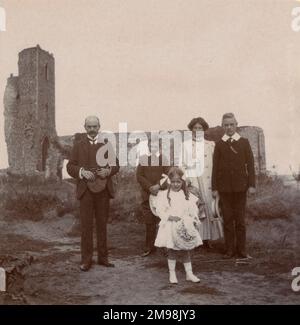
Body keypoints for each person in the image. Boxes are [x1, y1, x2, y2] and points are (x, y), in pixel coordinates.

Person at [67, 116, 120, 271]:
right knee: (86, 226)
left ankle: (103, 259)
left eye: (94, 126)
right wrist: (82, 172)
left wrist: (108, 170)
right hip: (85, 191)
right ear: (85, 127)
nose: (92, 129)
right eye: (89, 126)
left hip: (103, 190)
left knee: (102, 225)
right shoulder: (78, 145)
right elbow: (70, 167)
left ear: (99, 127)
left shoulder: (106, 144)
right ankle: (86, 261)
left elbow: (116, 165)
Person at [212, 113, 256, 259]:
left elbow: (250, 165)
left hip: (240, 188)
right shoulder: (219, 144)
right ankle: (229, 250)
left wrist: (251, 185)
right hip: (224, 189)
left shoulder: (244, 142)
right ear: (223, 126)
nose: (229, 127)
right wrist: (215, 188)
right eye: (226, 125)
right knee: (228, 219)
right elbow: (215, 167)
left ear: (236, 125)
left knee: (240, 220)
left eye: (231, 124)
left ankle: (242, 250)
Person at [154, 167, 202, 284]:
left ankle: (189, 273)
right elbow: (160, 210)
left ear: (182, 182)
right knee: (172, 250)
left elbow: (193, 210)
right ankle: (172, 273)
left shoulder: (187, 195)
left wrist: (194, 219)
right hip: (171, 226)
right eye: (173, 181)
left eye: (179, 182)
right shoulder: (165, 195)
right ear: (169, 181)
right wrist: (170, 217)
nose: (176, 184)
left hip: (184, 225)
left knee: (186, 249)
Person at [180, 117, 223, 249]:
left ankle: (207, 240)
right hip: (194, 183)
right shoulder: (185, 145)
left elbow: (217, 165)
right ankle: (195, 239)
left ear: (204, 130)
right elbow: (181, 164)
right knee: (196, 210)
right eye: (195, 128)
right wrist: (186, 178)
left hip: (209, 182)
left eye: (200, 128)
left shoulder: (210, 145)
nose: (197, 130)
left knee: (210, 210)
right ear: (191, 130)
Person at [136, 143, 170, 257]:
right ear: (149, 147)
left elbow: (168, 175)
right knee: (149, 221)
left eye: (156, 146)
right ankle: (149, 246)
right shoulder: (143, 159)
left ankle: (165, 246)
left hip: (161, 194)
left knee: (163, 220)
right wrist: (149, 187)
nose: (154, 148)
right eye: (152, 146)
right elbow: (139, 176)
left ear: (159, 147)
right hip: (147, 194)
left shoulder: (163, 158)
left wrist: (158, 186)